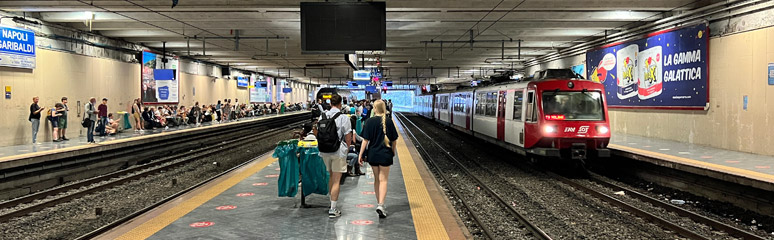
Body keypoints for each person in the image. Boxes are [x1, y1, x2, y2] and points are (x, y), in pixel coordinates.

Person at [358, 100, 399, 218]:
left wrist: (360, 155)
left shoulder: (369, 122)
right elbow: (394, 140)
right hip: (385, 154)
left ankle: (379, 204)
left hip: (373, 154)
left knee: (377, 180)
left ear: (375, 109)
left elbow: (365, 141)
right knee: (383, 180)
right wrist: (393, 151)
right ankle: (381, 204)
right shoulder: (389, 121)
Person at [316, 94, 352, 218]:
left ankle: (331, 202)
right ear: (340, 104)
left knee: (331, 176)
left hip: (324, 151)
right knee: (337, 180)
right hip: (338, 151)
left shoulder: (323, 115)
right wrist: (347, 149)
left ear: (330, 103)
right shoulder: (343, 117)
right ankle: (333, 208)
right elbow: (348, 136)